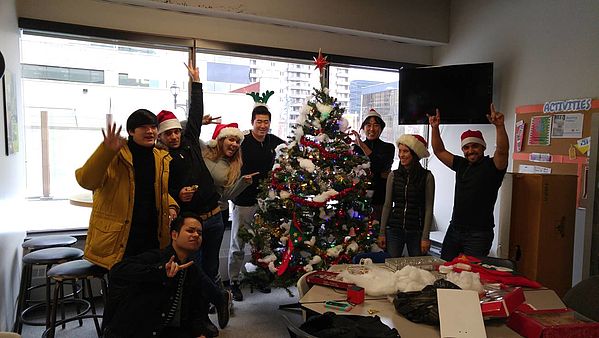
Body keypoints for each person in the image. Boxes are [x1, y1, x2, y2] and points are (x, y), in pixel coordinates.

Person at [156, 64, 230, 335]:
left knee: (209, 270)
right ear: (161, 136)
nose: (174, 136)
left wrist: (196, 83)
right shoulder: (161, 158)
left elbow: (195, 113)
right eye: (168, 133)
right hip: (192, 223)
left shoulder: (189, 140)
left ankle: (208, 313)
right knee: (194, 272)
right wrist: (177, 195)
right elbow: (159, 191)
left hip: (216, 217)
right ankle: (205, 316)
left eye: (176, 131)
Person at [75, 109, 178, 269]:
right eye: (144, 127)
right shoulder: (116, 155)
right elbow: (86, 181)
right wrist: (105, 151)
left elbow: (157, 190)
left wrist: (171, 205)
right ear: (131, 131)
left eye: (153, 127)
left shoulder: (160, 157)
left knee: (148, 288)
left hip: (152, 236)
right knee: (122, 289)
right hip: (120, 239)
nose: (150, 131)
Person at [103, 213, 210, 338]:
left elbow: (194, 311)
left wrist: (198, 333)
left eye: (199, 233)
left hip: (167, 329)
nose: (196, 235)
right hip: (136, 330)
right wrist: (159, 271)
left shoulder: (192, 270)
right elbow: (117, 271)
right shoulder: (156, 257)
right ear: (174, 235)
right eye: (190, 231)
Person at [428, 104, 509, 261]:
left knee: (470, 276)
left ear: (483, 147)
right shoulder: (461, 165)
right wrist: (435, 128)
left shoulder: (494, 166)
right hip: (455, 229)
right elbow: (439, 151)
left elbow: (502, 150)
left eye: (475, 146)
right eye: (466, 147)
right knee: (445, 267)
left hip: (479, 234)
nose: (470, 150)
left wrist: (499, 126)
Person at [229, 104, 285, 301]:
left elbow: (291, 149)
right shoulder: (243, 142)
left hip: (266, 203)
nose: (263, 125)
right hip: (243, 201)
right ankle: (233, 283)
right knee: (238, 243)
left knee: (262, 244)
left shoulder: (274, 142)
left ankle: (260, 277)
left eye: (266, 122)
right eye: (259, 121)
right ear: (252, 122)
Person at [379, 134, 435, 257]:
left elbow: (429, 208)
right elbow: (387, 205)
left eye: (406, 151)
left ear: (415, 154)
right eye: (400, 151)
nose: (401, 155)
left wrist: (425, 237)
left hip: (416, 231)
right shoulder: (393, 176)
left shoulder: (427, 177)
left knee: (418, 268)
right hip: (394, 229)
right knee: (392, 264)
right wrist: (382, 233)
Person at [201, 123, 257, 235]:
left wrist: (243, 183)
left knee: (212, 252)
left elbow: (226, 196)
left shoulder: (234, 166)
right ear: (221, 140)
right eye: (231, 139)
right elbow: (184, 130)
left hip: (218, 214)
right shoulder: (203, 150)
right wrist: (200, 121)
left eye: (237, 142)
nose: (235, 144)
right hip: (196, 212)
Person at [351, 109, 395, 222]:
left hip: (380, 201)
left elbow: (379, 167)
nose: (372, 129)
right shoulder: (355, 148)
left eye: (376, 125)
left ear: (381, 129)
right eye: (368, 125)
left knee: (380, 234)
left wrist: (362, 145)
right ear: (363, 128)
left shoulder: (388, 147)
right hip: (359, 199)